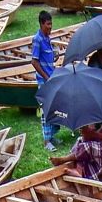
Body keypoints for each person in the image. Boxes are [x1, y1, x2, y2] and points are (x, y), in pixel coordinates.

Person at [31, 10, 59, 151]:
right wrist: (47, 78)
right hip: (44, 82)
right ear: (42, 24)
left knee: (54, 108)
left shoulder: (47, 38)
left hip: (50, 79)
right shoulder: (38, 39)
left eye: (51, 24)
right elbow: (34, 62)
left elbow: (45, 58)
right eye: (48, 24)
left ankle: (52, 135)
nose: (50, 27)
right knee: (46, 110)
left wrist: (54, 57)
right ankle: (46, 141)